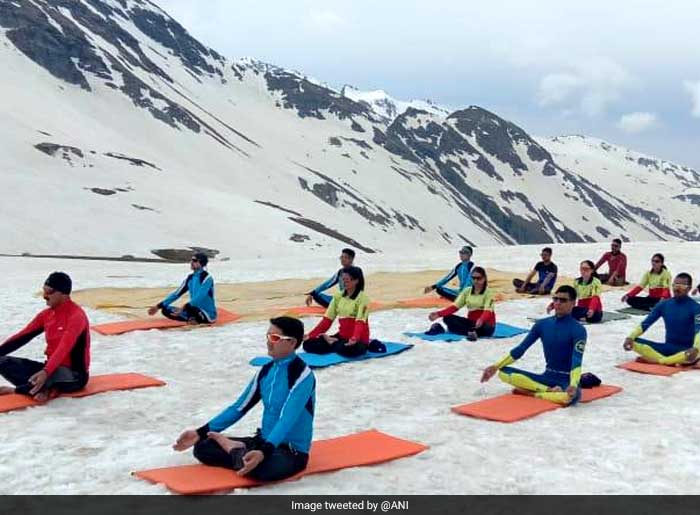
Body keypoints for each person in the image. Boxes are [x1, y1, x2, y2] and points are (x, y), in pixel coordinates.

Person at [173, 317, 314, 482]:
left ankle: (236, 451)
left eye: (275, 338)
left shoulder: (303, 376)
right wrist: (200, 432)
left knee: (262, 470)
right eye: (268, 337)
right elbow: (239, 407)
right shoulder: (266, 371)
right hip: (262, 442)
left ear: (291, 343)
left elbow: (287, 419)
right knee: (202, 447)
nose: (269, 343)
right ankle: (240, 453)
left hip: (290, 451)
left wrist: (264, 452)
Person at [481, 285, 586, 405]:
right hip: (546, 378)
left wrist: (573, 385)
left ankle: (532, 393)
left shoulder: (578, 330)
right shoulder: (542, 324)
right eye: (555, 299)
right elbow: (521, 349)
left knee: (570, 397)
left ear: (573, 303)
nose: (557, 303)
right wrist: (495, 366)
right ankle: (547, 391)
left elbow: (576, 360)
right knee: (503, 372)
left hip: (566, 381)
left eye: (563, 300)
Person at [0, 272, 90, 402]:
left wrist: (46, 372)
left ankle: (18, 390)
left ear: (63, 293)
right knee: (2, 362)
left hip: (73, 375)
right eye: (44, 291)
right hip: (50, 368)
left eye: (49, 292)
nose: (45, 296)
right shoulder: (46, 315)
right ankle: (44, 388)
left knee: (51, 376)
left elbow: (63, 348)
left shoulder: (76, 316)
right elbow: (21, 337)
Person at [623, 273, 700, 365]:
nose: (677, 288)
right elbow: (645, 324)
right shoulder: (664, 305)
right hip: (668, 348)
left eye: (682, 286)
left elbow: (698, 330)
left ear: (689, 288)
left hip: (687, 350)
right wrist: (630, 337)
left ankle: (659, 359)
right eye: (675, 285)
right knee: (633, 341)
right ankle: (666, 361)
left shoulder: (695, 307)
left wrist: (695, 348)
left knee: (695, 353)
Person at [303, 266, 379, 357]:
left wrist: (354, 338)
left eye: (347, 280)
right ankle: (334, 342)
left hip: (359, 340)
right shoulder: (338, 296)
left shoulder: (363, 299)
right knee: (308, 344)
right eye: (343, 280)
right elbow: (327, 320)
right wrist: (311, 335)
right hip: (342, 337)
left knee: (349, 350)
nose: (343, 283)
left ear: (356, 281)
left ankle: (332, 342)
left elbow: (360, 322)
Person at [425, 267, 496, 341]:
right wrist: (438, 314)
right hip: (471, 324)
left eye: (478, 278)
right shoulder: (467, 291)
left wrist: (481, 319)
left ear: (484, 279)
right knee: (447, 318)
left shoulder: (488, 293)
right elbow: (455, 307)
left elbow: (488, 311)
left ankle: (469, 332)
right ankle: (471, 332)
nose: (475, 281)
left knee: (483, 327)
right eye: (473, 278)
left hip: (485, 325)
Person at [147, 252, 217, 324]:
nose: (191, 262)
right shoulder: (190, 278)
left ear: (201, 263)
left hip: (207, 313)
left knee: (190, 307)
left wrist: (184, 307)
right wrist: (158, 306)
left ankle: (195, 319)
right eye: (191, 260)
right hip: (192, 309)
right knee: (165, 310)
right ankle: (192, 319)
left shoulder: (207, 278)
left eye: (195, 260)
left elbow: (200, 296)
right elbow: (177, 293)